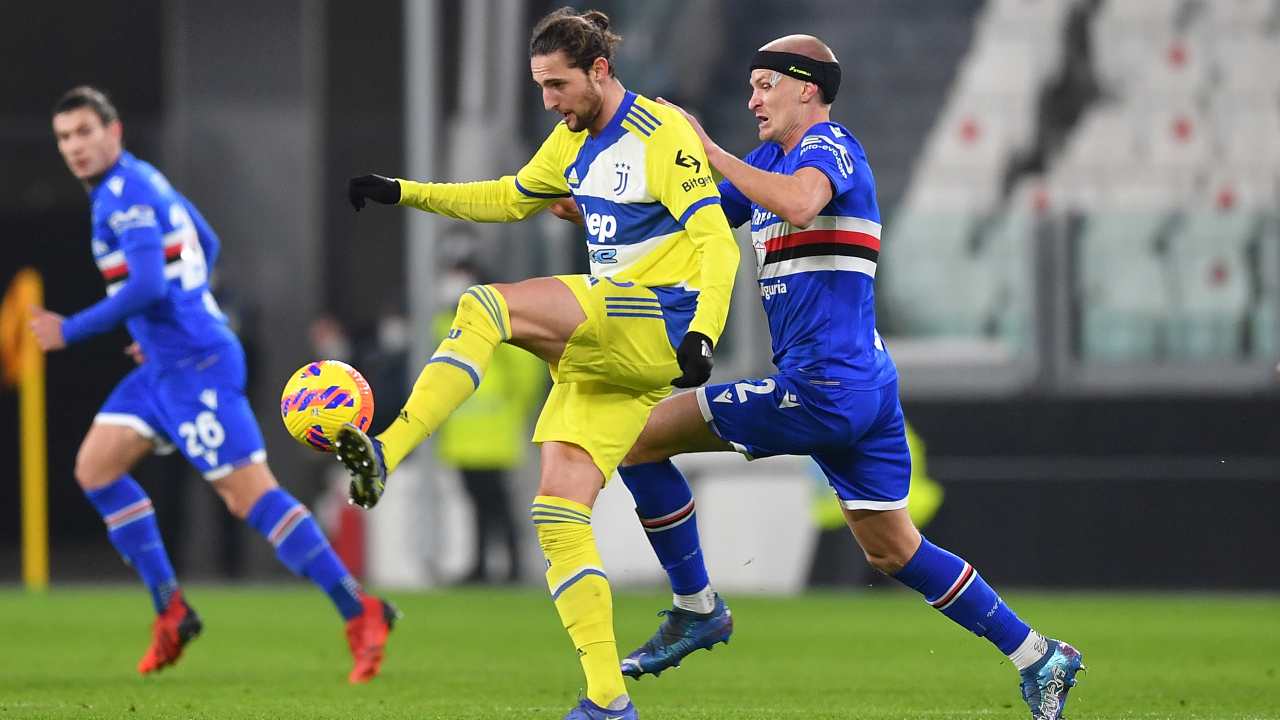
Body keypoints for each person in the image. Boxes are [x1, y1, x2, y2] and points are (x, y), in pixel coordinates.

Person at [600, 35, 1084, 720]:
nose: (752, 98)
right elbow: (691, 217)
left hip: (825, 384)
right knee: (893, 546)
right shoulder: (768, 162)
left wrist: (709, 149)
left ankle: (697, 607)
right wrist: (596, 194)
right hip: (861, 383)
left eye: (765, 84)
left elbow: (799, 204)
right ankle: (1039, 655)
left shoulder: (830, 149)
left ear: (807, 88)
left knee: (637, 439)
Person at [339, 8, 738, 719]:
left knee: (483, 306)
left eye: (558, 85)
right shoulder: (569, 142)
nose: (549, 101)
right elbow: (507, 197)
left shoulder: (661, 133)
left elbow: (717, 241)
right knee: (557, 514)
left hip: (658, 321)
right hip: (608, 351)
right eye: (540, 87)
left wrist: (704, 335)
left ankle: (387, 449)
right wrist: (405, 192)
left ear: (600, 71)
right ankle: (608, 701)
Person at [33, 86, 396, 684]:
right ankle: (171, 610)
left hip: (197, 364)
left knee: (249, 496)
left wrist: (70, 329)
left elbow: (149, 284)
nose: (74, 147)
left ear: (113, 132)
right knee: (95, 469)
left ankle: (362, 611)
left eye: (83, 133)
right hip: (165, 363)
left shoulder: (123, 197)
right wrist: (159, 326)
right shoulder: (146, 181)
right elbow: (206, 242)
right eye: (64, 138)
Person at [432, 260, 545, 584]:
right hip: (465, 435)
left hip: (494, 433)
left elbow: (525, 372)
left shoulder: (496, 321)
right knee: (479, 505)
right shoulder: (446, 322)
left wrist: (512, 410)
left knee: (497, 505)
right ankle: (483, 564)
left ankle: (511, 566)